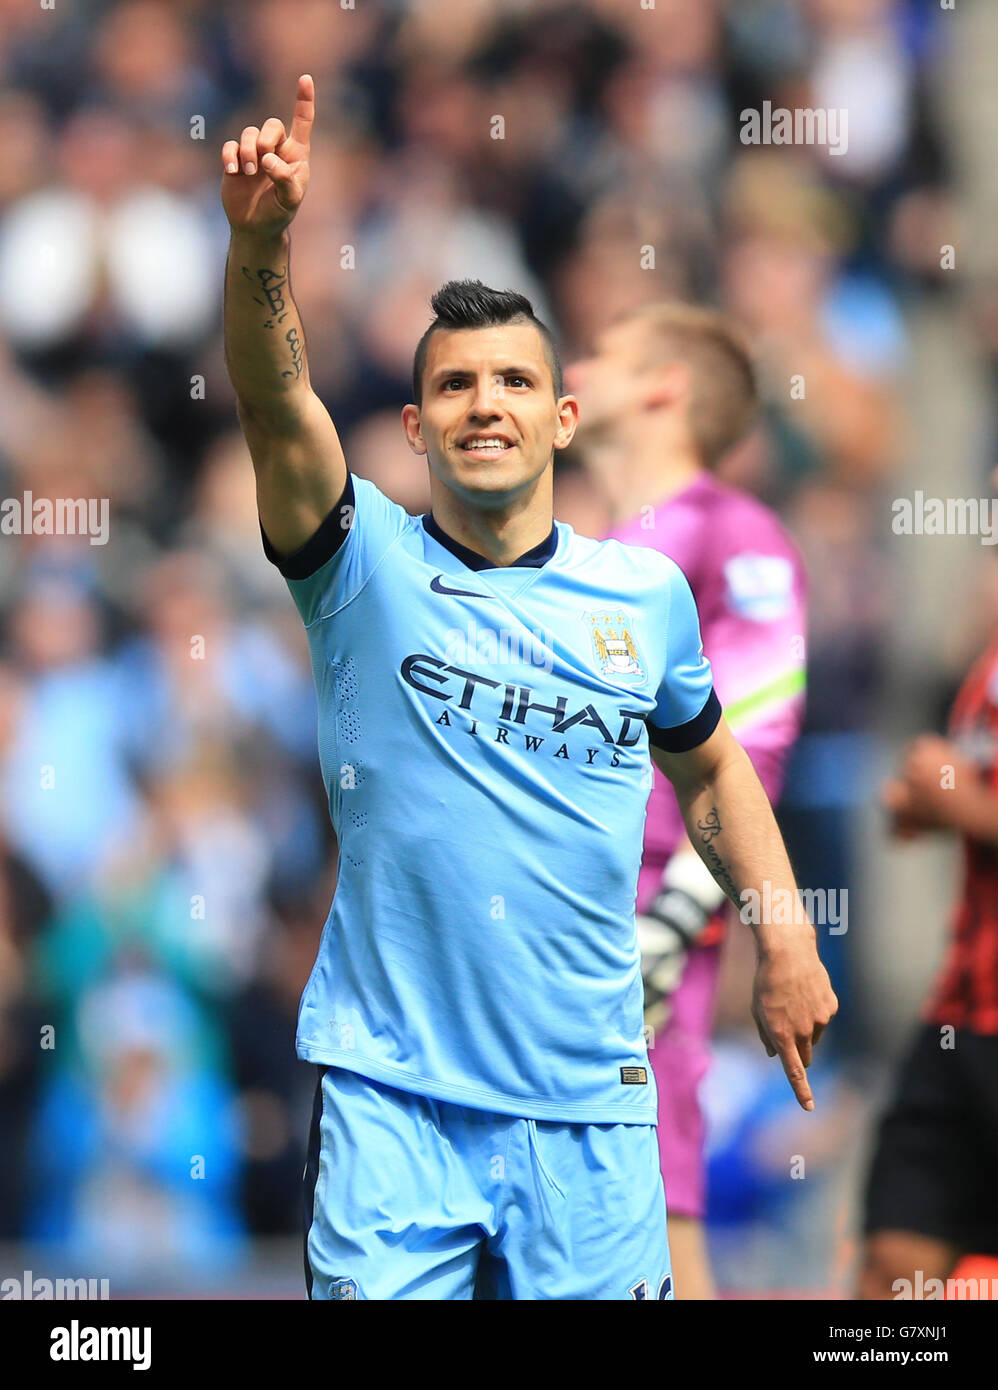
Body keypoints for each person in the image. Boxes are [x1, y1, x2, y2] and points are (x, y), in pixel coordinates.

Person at [220, 74, 837, 1301]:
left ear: (560, 419)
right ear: (413, 424)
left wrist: (781, 935)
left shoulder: (643, 594)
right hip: (392, 1098)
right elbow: (273, 394)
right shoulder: (359, 565)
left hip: (591, 1107)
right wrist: (261, 244)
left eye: (510, 382)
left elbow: (711, 763)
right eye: (453, 385)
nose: (482, 404)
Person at [568, 305, 808, 1299]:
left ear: (660, 386)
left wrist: (672, 919)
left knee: (653, 1210)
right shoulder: (587, 551)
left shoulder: (733, 530)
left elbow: (751, 744)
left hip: (647, 921)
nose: (568, 370)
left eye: (596, 357)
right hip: (567, 904)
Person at [859, 629, 998, 1299]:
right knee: (894, 1263)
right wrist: (926, 803)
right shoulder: (986, 667)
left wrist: (963, 805)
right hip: (961, 1018)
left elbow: (975, 802)